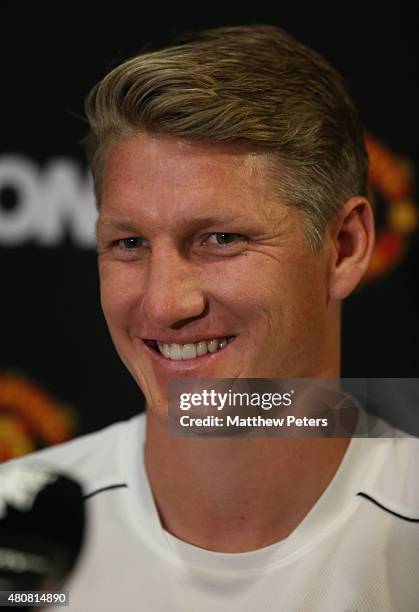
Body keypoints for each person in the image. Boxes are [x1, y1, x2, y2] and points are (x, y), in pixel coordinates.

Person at [3, 24, 419, 611]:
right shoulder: (13, 534)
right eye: (129, 244)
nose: (164, 304)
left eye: (220, 239)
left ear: (346, 247)